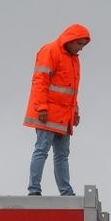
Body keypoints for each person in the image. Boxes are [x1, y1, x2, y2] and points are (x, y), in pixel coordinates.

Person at [24, 23, 91, 197]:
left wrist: (75, 111)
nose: (81, 48)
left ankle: (66, 193)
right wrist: (42, 108)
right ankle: (34, 190)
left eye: (83, 45)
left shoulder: (74, 59)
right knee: (42, 150)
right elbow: (40, 81)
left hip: (63, 116)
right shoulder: (50, 51)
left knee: (62, 155)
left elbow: (72, 90)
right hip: (47, 114)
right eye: (79, 44)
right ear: (71, 40)